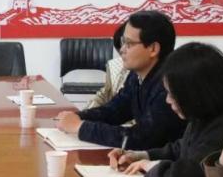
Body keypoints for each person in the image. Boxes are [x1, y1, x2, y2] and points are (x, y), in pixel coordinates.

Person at [109, 43, 223, 177]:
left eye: (172, 94)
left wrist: (149, 166)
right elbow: (185, 146)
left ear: (194, 94)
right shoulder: (210, 106)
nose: (168, 100)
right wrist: (140, 156)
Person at [55, 10, 185, 149]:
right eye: (123, 41)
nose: (122, 49)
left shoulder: (169, 84)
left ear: (153, 49)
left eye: (129, 43)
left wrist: (80, 127)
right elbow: (114, 111)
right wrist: (77, 117)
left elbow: (141, 139)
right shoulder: (137, 75)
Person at [85, 23, 130, 109]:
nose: (122, 50)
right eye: (121, 46)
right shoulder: (114, 65)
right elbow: (105, 95)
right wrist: (85, 113)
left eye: (130, 44)